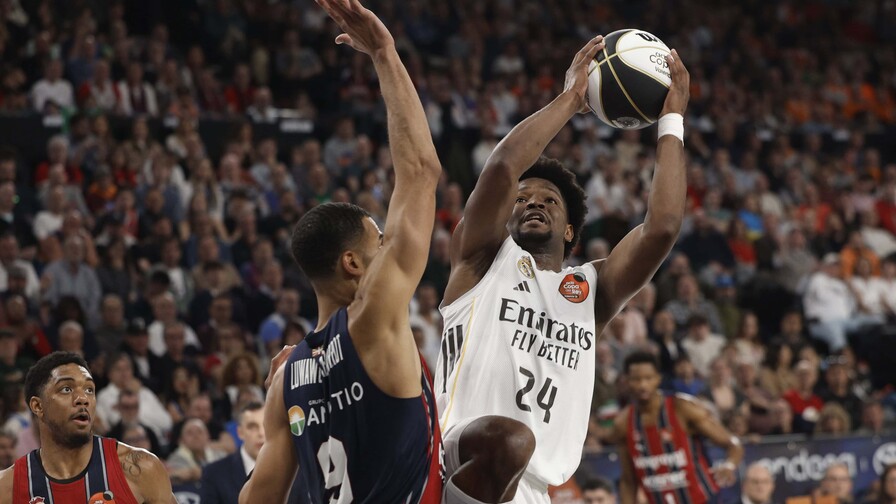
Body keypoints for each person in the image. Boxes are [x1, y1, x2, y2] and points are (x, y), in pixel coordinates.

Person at [434, 33, 691, 504]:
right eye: (523, 198)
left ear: (570, 231)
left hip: (533, 487)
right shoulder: (482, 257)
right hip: (458, 464)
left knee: (515, 446)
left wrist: (671, 119)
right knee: (508, 440)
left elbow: (663, 227)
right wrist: (573, 98)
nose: (533, 202)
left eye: (548, 200)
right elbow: (501, 169)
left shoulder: (590, 288)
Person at [239, 0, 442, 502]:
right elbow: (419, 171)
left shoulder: (287, 376)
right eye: (379, 240)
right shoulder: (373, 315)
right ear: (353, 264)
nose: (387, 245)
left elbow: (256, 498)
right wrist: (384, 52)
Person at [0, 351, 175, 503]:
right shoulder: (7, 487)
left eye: (89, 389)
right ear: (38, 407)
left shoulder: (142, 468)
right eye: (66, 389)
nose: (82, 398)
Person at [612, 351, 743, 504]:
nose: (643, 385)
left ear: (658, 379)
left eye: (648, 378)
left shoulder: (682, 408)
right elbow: (628, 481)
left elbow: (733, 443)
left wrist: (729, 464)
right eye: (636, 379)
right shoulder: (622, 423)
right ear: (626, 381)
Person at [201, 402, 265, 504]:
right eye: (252, 427)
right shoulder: (214, 473)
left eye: (266, 425)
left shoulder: (291, 471)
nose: (261, 433)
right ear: (240, 433)